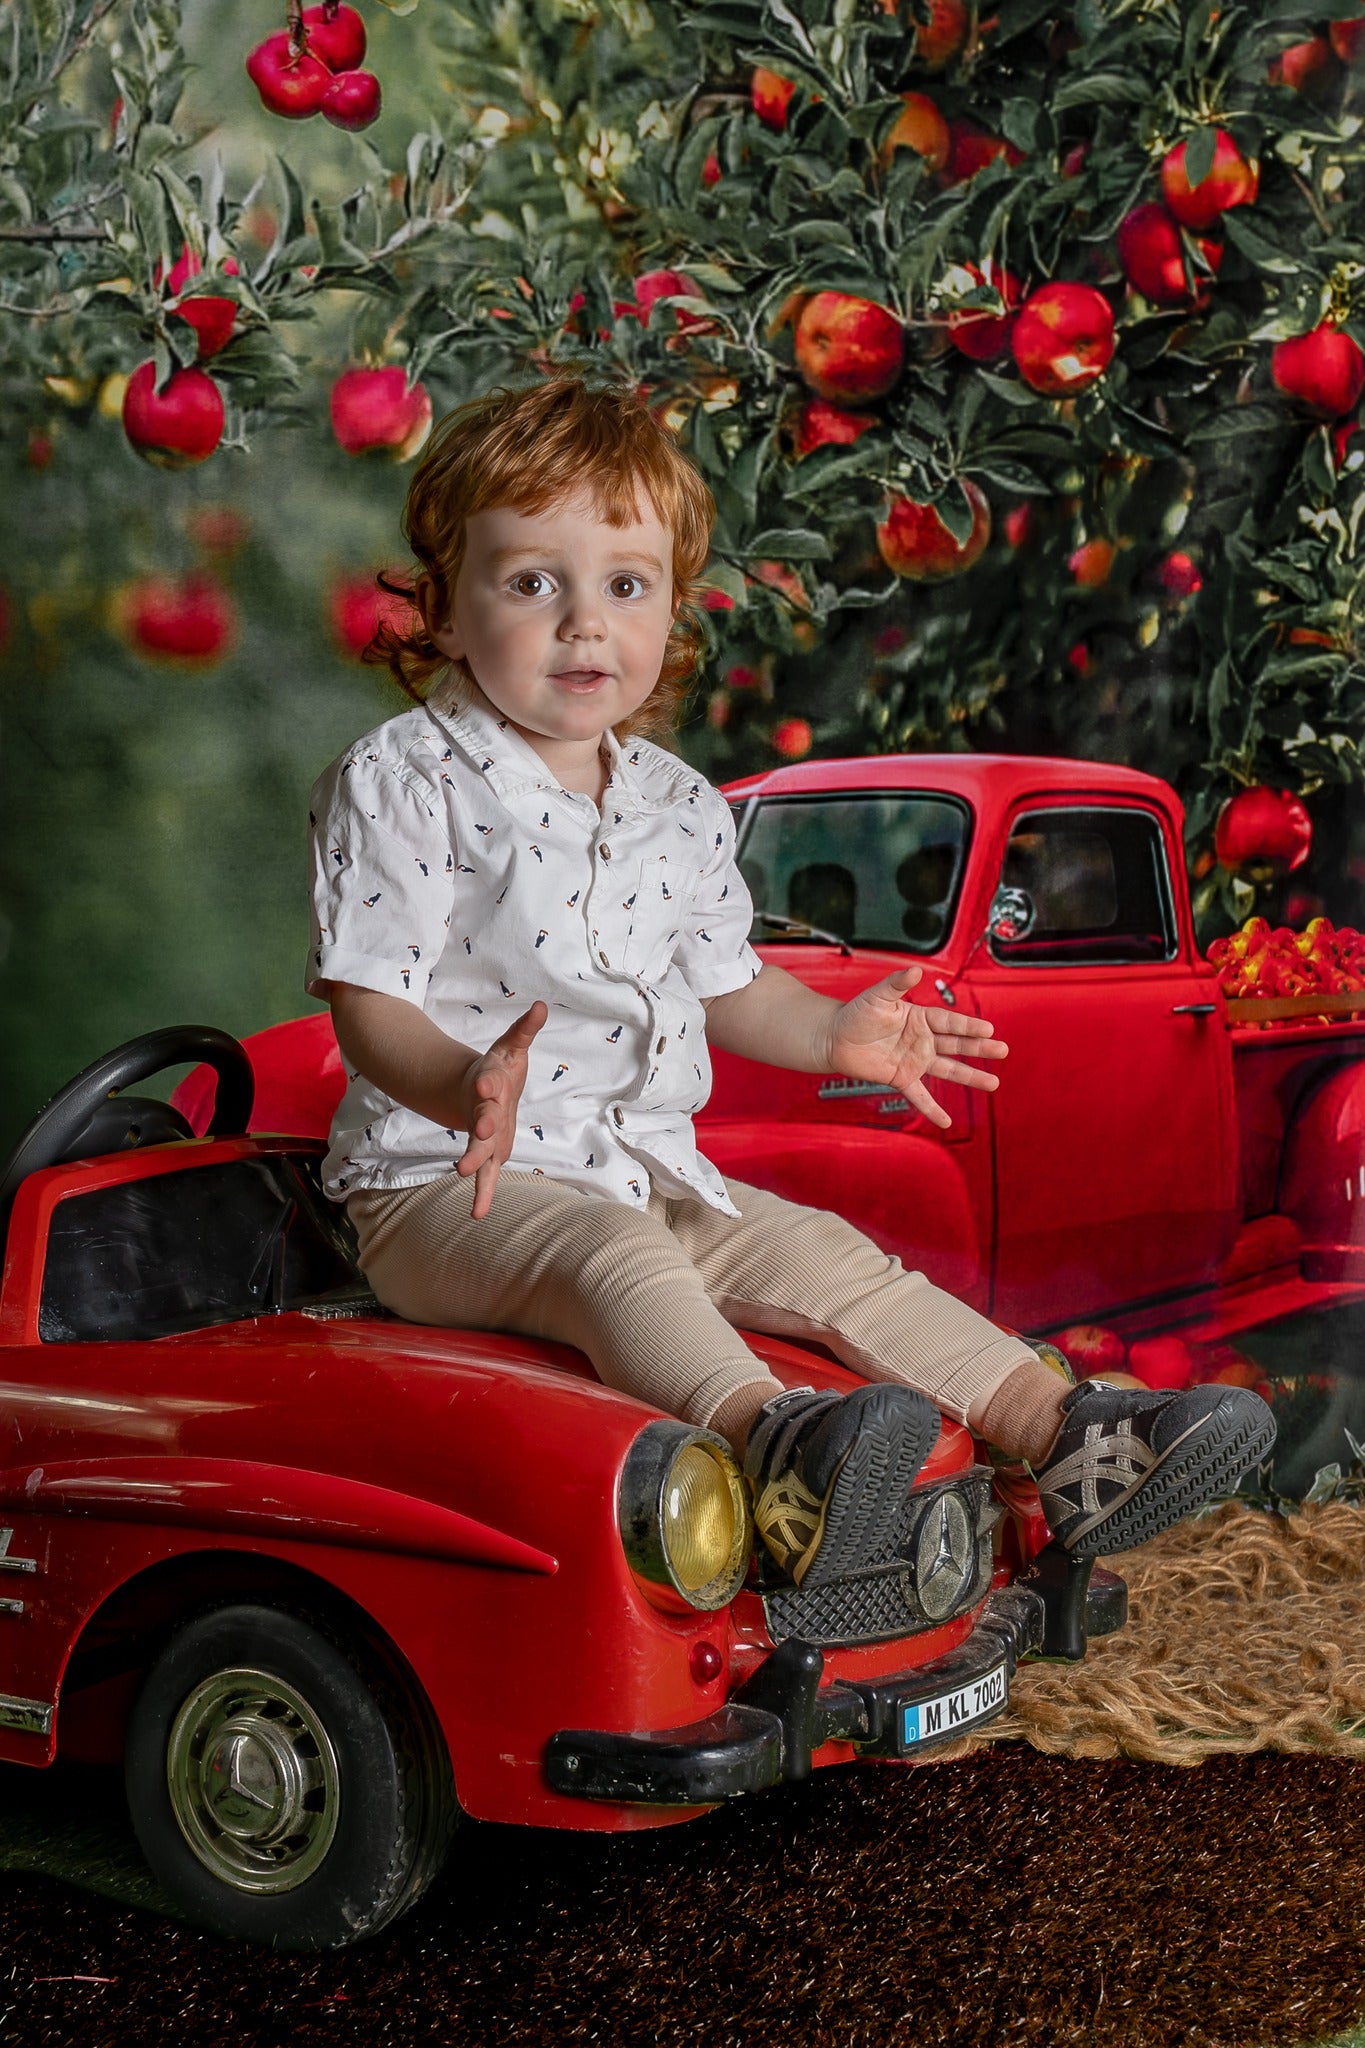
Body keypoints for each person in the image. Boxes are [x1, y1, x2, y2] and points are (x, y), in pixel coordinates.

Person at [306, 373, 1274, 1592]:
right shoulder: (403, 780)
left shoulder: (675, 805)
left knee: (829, 1254)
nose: (583, 623)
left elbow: (726, 984)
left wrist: (833, 1036)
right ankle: (781, 1455)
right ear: (444, 610)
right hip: (450, 1193)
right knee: (617, 1261)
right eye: (531, 582)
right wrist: (465, 1084)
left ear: (668, 610)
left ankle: (1073, 1439)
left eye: (623, 584)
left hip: (652, 1171)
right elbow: (371, 1002)